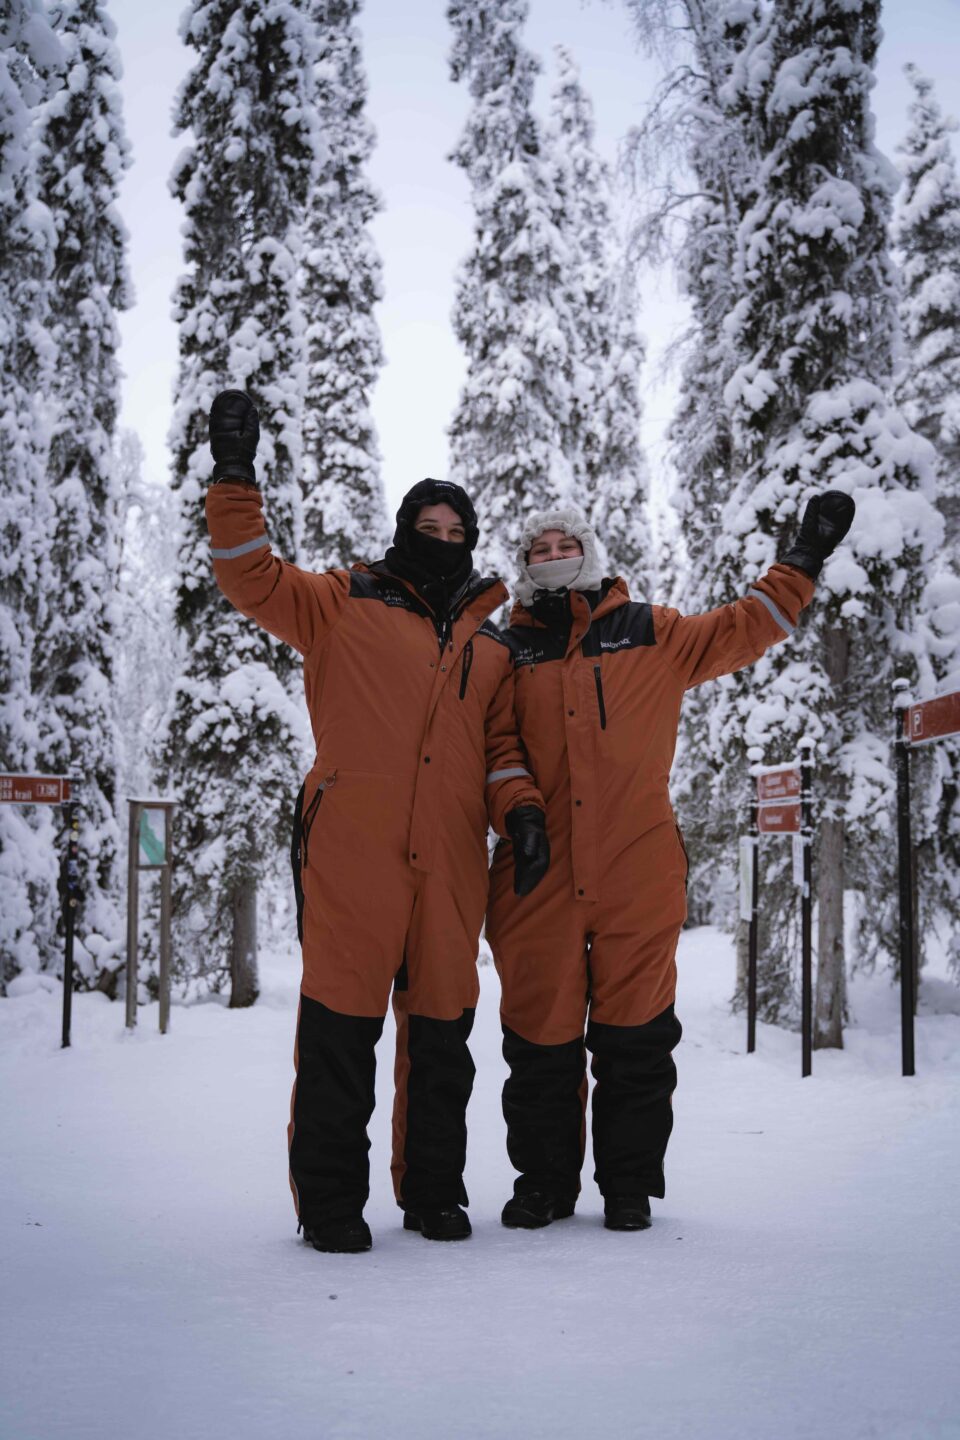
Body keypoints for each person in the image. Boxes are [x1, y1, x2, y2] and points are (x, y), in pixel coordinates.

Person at [204, 389, 549, 1252]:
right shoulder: (338, 602)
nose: (443, 541)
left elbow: (502, 748)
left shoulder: (493, 643)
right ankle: (328, 1205)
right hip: (353, 851)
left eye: (455, 531)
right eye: (427, 528)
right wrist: (235, 475)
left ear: (471, 540)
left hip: (451, 863)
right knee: (340, 1030)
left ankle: (433, 1194)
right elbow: (248, 572)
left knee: (441, 1036)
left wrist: (523, 812)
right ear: (404, 532)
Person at [485, 492, 855, 1232]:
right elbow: (496, 748)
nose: (553, 554)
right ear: (524, 566)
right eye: (539, 548)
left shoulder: (650, 631)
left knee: (636, 1041)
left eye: (565, 543)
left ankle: (627, 1185)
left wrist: (802, 560)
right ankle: (545, 1184)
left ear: (589, 551)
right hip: (537, 875)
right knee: (539, 1042)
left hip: (637, 870)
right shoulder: (504, 648)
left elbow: (749, 626)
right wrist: (518, 810)